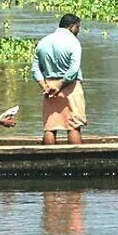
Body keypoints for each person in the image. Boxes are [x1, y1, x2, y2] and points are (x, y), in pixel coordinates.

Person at [32, 14, 86, 145]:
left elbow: (35, 69)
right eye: (78, 27)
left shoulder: (43, 41)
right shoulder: (73, 42)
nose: (78, 31)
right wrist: (60, 86)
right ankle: (77, 160)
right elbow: (73, 69)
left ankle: (47, 160)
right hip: (69, 86)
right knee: (73, 126)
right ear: (72, 26)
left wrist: (44, 86)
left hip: (49, 86)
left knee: (50, 126)